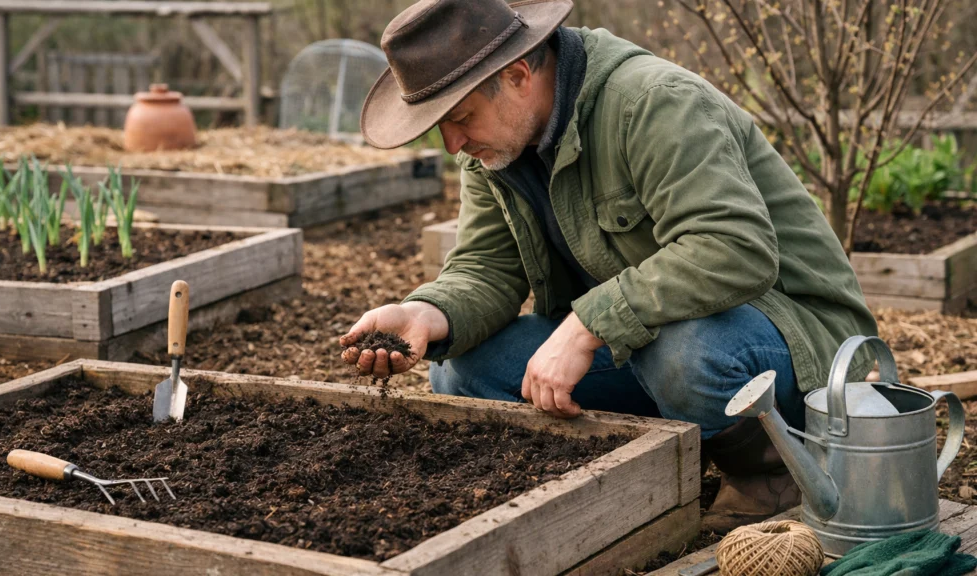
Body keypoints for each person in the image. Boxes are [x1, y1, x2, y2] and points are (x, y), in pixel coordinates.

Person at [341, 0, 878, 533]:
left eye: (459, 118)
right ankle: (655, 467)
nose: (452, 143)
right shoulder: (494, 147)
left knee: (685, 354)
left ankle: (771, 475)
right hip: (643, 341)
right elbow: (485, 266)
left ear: (518, 74)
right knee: (460, 366)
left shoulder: (653, 102)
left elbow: (733, 247)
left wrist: (588, 324)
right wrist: (426, 312)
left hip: (787, 341)